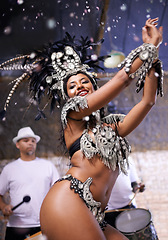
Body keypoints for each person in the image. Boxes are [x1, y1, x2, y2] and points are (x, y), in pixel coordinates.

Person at [0, 18, 163, 240]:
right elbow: (123, 78)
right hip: (68, 200)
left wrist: (152, 56)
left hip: (96, 213)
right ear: (68, 96)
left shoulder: (114, 125)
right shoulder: (72, 115)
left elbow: (148, 101)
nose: (79, 87)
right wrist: (149, 46)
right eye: (72, 86)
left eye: (84, 81)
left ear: (94, 87)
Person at [0, 127, 60, 240]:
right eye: (26, 140)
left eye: (33, 141)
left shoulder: (48, 166)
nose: (30, 143)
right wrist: (4, 207)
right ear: (17, 145)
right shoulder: (9, 169)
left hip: (43, 226)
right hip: (16, 227)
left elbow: (59, 193)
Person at [105, 156, 145, 228]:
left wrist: (138, 188)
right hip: (108, 211)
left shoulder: (128, 159)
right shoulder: (101, 162)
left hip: (128, 206)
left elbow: (134, 184)